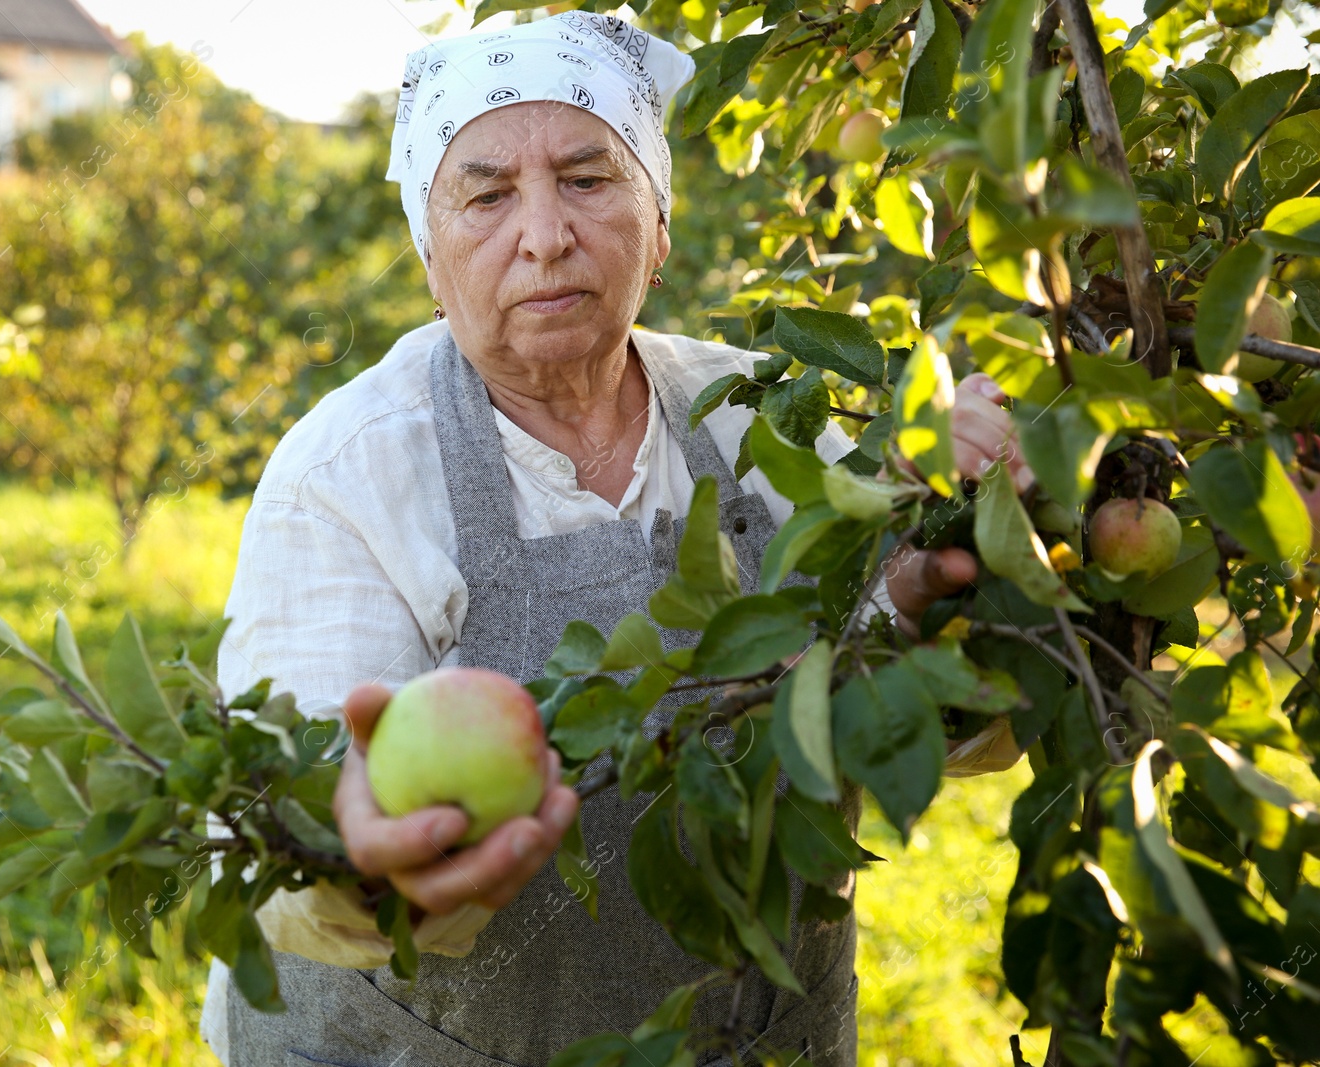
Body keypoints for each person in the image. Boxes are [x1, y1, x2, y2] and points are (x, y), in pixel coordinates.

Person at [201, 12, 1028, 1066]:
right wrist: (343, 832)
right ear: (427, 246)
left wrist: (952, 567)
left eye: (588, 179)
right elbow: (284, 791)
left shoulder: (766, 420)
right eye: (488, 193)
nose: (543, 233)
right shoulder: (350, 471)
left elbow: (957, 726)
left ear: (661, 221)